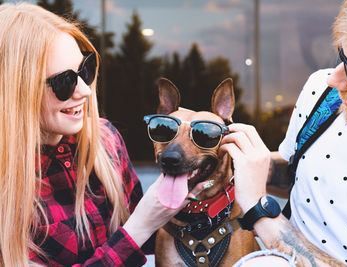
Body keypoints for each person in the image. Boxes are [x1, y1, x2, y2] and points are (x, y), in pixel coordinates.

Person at [0, 3, 205, 266]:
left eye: (84, 70)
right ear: (14, 90)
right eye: (64, 82)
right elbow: (139, 230)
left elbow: (158, 238)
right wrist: (138, 227)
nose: (85, 90)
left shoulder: (104, 139)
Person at [220, 0, 347, 266]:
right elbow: (299, 175)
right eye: (341, 58)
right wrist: (233, 165)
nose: (334, 81)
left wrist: (260, 211)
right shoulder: (323, 96)